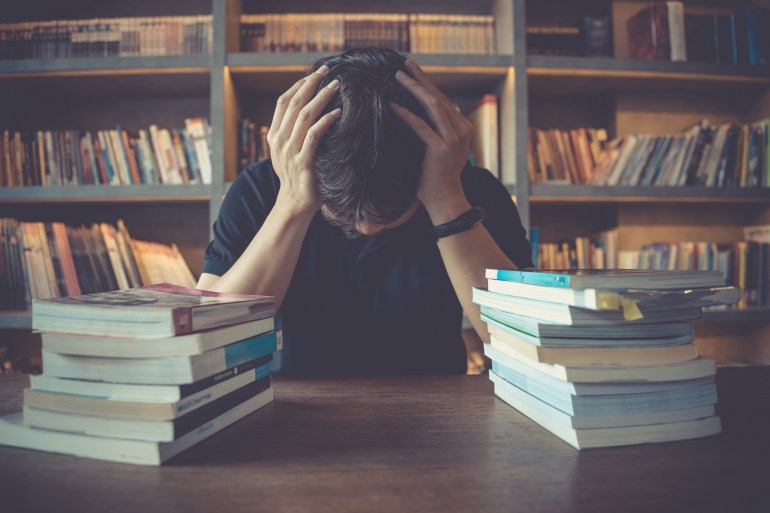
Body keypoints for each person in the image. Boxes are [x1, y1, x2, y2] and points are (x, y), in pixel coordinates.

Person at [197, 48, 532, 376]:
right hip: (288, 410)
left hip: (438, 409)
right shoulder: (259, 189)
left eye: (392, 211)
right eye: (342, 210)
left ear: (429, 164)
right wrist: (292, 203)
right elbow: (211, 343)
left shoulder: (473, 192)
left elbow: (526, 347)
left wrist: (446, 198)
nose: (367, 227)